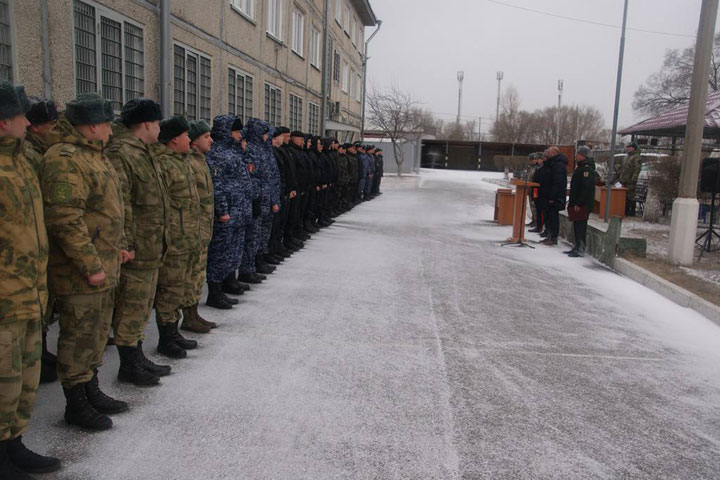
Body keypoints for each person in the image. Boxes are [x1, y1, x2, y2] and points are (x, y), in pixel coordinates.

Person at [41, 93, 129, 431]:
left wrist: (117, 246)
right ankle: (75, 404)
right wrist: (91, 265)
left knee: (95, 333)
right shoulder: (64, 159)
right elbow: (65, 219)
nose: (110, 130)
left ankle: (90, 388)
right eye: (106, 123)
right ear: (91, 126)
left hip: (104, 263)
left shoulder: (95, 155)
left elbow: (108, 210)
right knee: (78, 335)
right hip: (80, 271)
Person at [0, 81, 61, 479]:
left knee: (22, 379)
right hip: (4, 296)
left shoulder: (20, 159)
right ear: (4, 122)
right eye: (22, 114)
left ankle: (13, 444)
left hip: (29, 291)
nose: (29, 121)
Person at [105, 98, 171, 386]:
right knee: (131, 305)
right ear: (147, 124)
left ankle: (137, 355)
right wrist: (126, 243)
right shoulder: (123, 152)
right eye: (157, 123)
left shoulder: (145, 151)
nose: (159, 129)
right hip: (137, 246)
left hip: (151, 244)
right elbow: (121, 202)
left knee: (142, 305)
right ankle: (128, 365)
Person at [153, 116, 201, 358]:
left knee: (179, 288)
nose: (189, 140)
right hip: (174, 240)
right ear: (174, 140)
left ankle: (173, 332)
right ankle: (166, 337)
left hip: (187, 238)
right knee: (169, 290)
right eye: (185, 136)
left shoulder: (182, 162)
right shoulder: (163, 164)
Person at [25, 97, 60, 384]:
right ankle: (38, 354)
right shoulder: (28, 155)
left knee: (45, 300)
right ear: (35, 127)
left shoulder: (43, 151)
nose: (56, 129)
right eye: (52, 125)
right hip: (33, 241)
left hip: (45, 238)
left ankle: (42, 351)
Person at [205, 115, 249, 308]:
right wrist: (222, 210)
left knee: (232, 250)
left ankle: (227, 282)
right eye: (236, 131)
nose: (239, 136)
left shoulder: (232, 151)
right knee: (219, 253)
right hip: (226, 213)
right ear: (226, 131)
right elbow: (217, 186)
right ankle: (215, 291)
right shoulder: (216, 154)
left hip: (237, 210)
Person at [186, 119, 216, 330]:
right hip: (193, 229)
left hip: (203, 228)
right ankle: (188, 316)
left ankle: (193, 313)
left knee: (198, 274)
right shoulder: (189, 162)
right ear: (194, 141)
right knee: (191, 274)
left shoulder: (200, 160)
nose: (210, 140)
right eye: (206, 137)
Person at [566, 146, 596, 257]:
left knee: (581, 227)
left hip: (582, 204)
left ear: (583, 156)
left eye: (578, 154)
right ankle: (576, 246)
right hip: (576, 203)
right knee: (576, 226)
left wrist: (579, 203)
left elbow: (585, 188)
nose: (576, 156)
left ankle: (580, 249)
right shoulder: (581, 167)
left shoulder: (586, 169)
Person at [539, 146, 568, 246]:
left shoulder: (558, 165)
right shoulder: (552, 163)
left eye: (549, 153)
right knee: (549, 216)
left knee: (553, 217)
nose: (547, 155)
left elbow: (557, 182)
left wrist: (553, 196)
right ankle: (549, 235)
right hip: (548, 195)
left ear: (554, 153)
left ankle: (553, 237)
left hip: (554, 197)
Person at [619, 142, 642, 216]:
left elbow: (637, 168)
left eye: (630, 147)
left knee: (630, 197)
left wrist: (634, 178)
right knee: (624, 197)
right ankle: (624, 211)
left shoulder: (636, 157)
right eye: (627, 147)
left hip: (630, 181)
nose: (628, 148)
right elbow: (623, 168)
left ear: (633, 148)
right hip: (624, 180)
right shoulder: (626, 156)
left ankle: (631, 212)